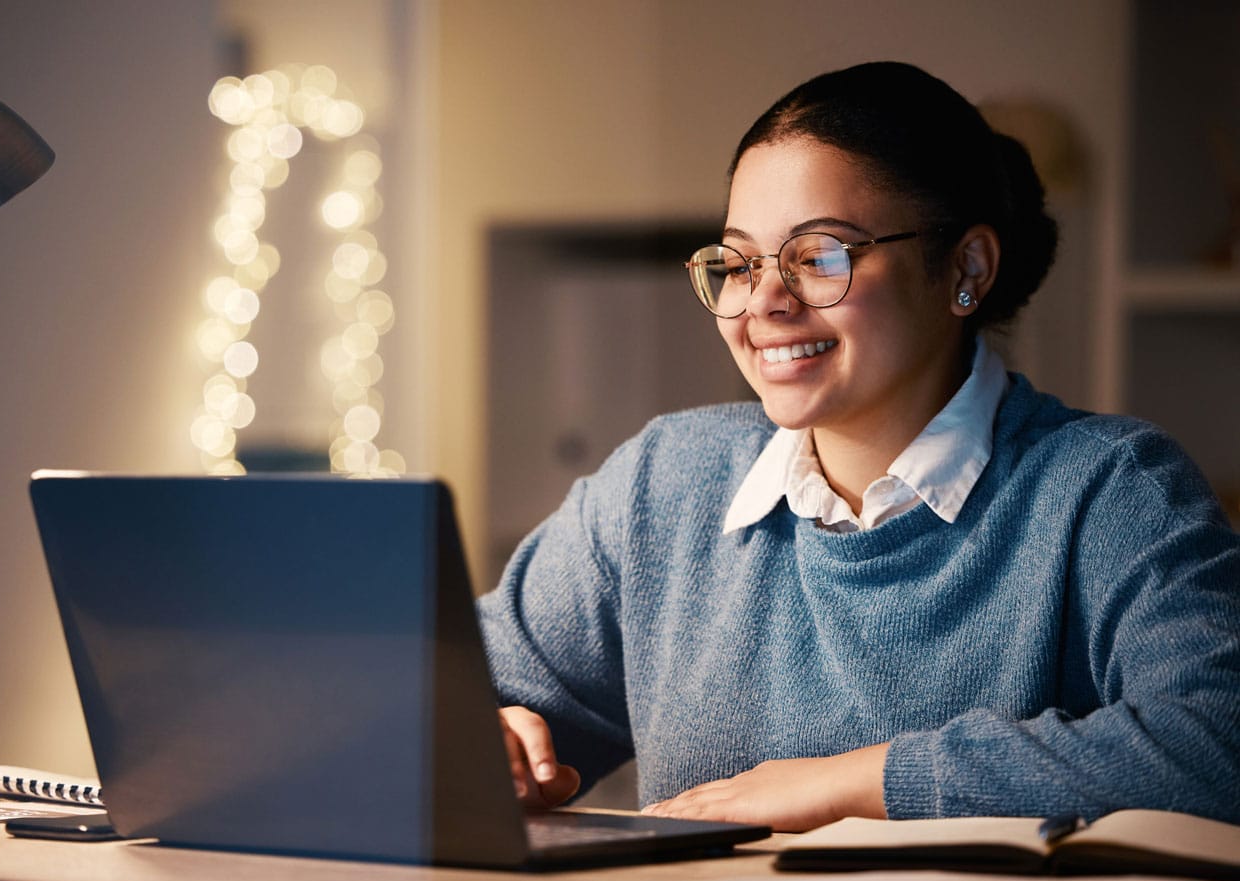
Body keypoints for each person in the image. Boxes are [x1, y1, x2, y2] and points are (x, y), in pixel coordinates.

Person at [476, 61, 1240, 832]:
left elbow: (1219, 744)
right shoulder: (663, 483)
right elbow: (444, 693)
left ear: (965, 268)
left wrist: (863, 780)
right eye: (738, 264)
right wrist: (481, 734)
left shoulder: (1108, 488)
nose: (766, 302)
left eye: (818, 256)